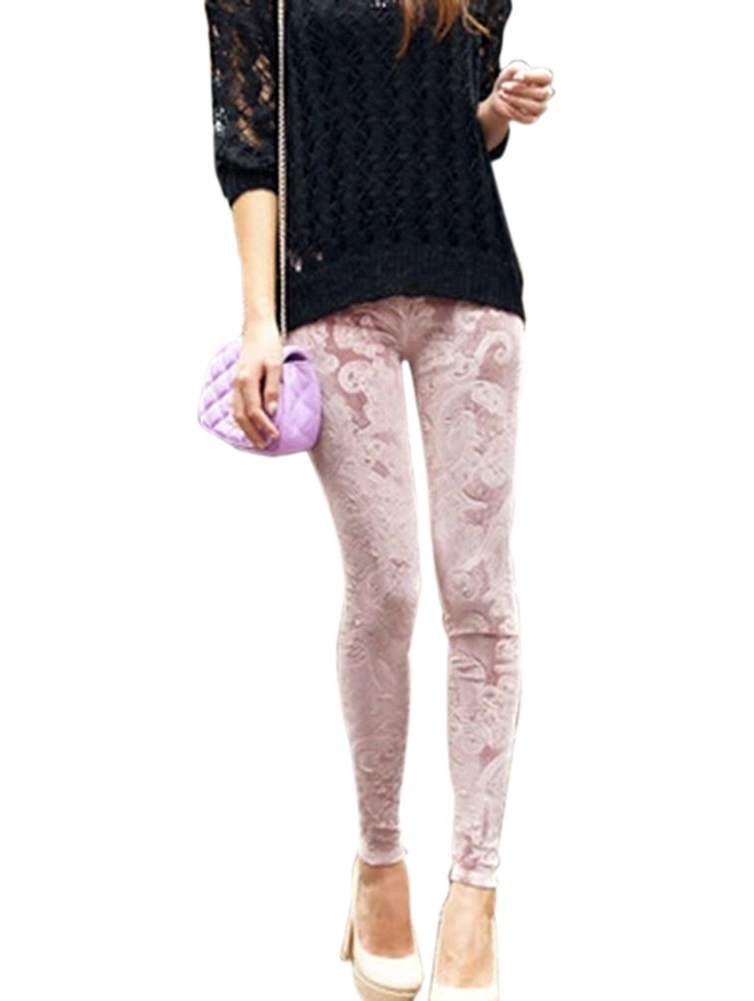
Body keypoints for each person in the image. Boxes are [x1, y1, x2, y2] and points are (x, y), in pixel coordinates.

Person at [202, 1, 554, 997]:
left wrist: (497, 111)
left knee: (479, 590)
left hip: (467, 280)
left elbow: (461, 121)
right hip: (332, 288)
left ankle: (476, 888)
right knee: (388, 586)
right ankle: (379, 861)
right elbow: (248, 147)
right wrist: (259, 321)